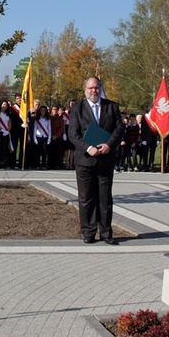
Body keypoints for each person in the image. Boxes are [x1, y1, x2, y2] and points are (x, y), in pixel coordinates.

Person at [68, 76, 125, 245]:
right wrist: (88, 148)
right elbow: (73, 134)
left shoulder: (112, 106)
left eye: (97, 87)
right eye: (91, 88)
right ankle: (88, 232)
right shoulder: (77, 108)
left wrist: (109, 145)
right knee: (86, 198)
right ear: (85, 89)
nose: (94, 91)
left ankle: (106, 232)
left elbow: (119, 128)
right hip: (85, 161)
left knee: (105, 198)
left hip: (105, 160)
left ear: (100, 88)